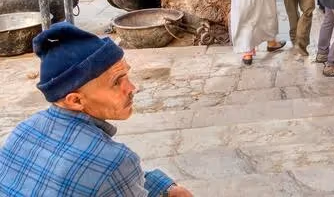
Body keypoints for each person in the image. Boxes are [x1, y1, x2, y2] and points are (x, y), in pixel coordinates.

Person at [0, 22, 192, 196]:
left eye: (126, 76)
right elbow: (108, 172)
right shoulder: (115, 161)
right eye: (116, 82)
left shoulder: (22, 131)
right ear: (75, 100)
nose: (132, 88)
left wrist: (165, 187)